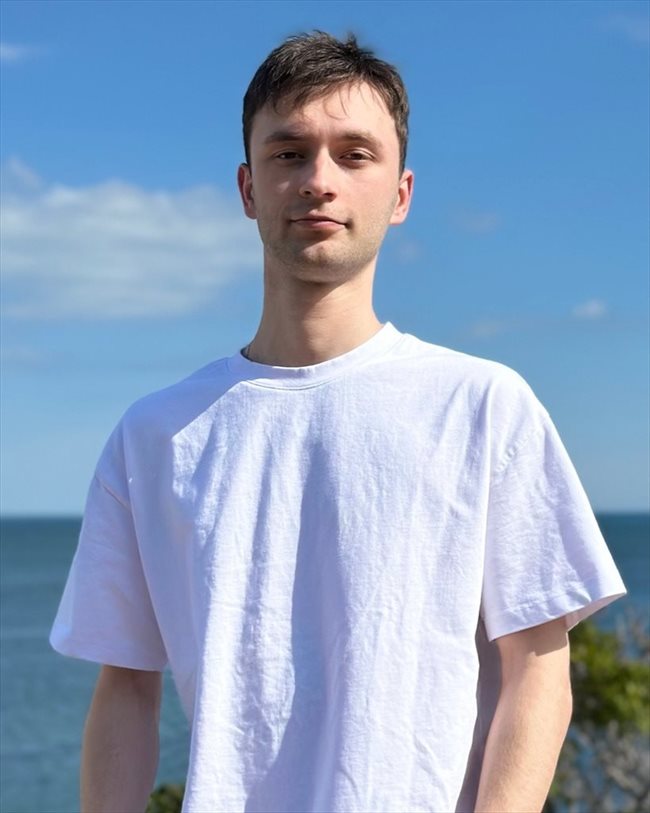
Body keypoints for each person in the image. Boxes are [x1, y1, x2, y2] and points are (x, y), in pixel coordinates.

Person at [51, 31, 626, 813]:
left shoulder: (483, 405)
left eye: (355, 155)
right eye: (289, 153)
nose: (319, 180)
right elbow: (125, 687)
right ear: (248, 187)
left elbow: (538, 668)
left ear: (401, 193)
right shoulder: (155, 435)